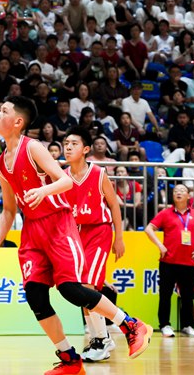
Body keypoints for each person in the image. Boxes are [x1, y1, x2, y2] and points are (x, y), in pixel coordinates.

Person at [0, 96, 152, 374]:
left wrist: (43, 190)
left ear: (18, 122)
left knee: (71, 289)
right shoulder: (1, 163)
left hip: (58, 224)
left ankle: (130, 324)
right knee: (35, 296)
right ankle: (69, 359)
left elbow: (63, 180)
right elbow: (10, 211)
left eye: (3, 111)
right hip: (32, 232)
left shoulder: (33, 147)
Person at [63, 127, 125, 363]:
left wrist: (119, 237)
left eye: (74, 143)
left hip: (99, 230)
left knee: (88, 286)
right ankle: (99, 338)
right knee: (81, 289)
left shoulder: (98, 174)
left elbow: (115, 205)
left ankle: (102, 338)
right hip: (76, 234)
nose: (68, 147)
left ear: (86, 149)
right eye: (66, 143)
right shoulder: (63, 177)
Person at [145, 184, 194, 338]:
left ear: (189, 196)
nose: (179, 193)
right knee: (165, 294)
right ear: (172, 196)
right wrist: (160, 245)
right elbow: (149, 229)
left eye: (182, 191)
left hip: (189, 262)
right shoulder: (165, 213)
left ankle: (188, 325)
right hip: (168, 261)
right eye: (175, 191)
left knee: (187, 296)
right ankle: (164, 325)